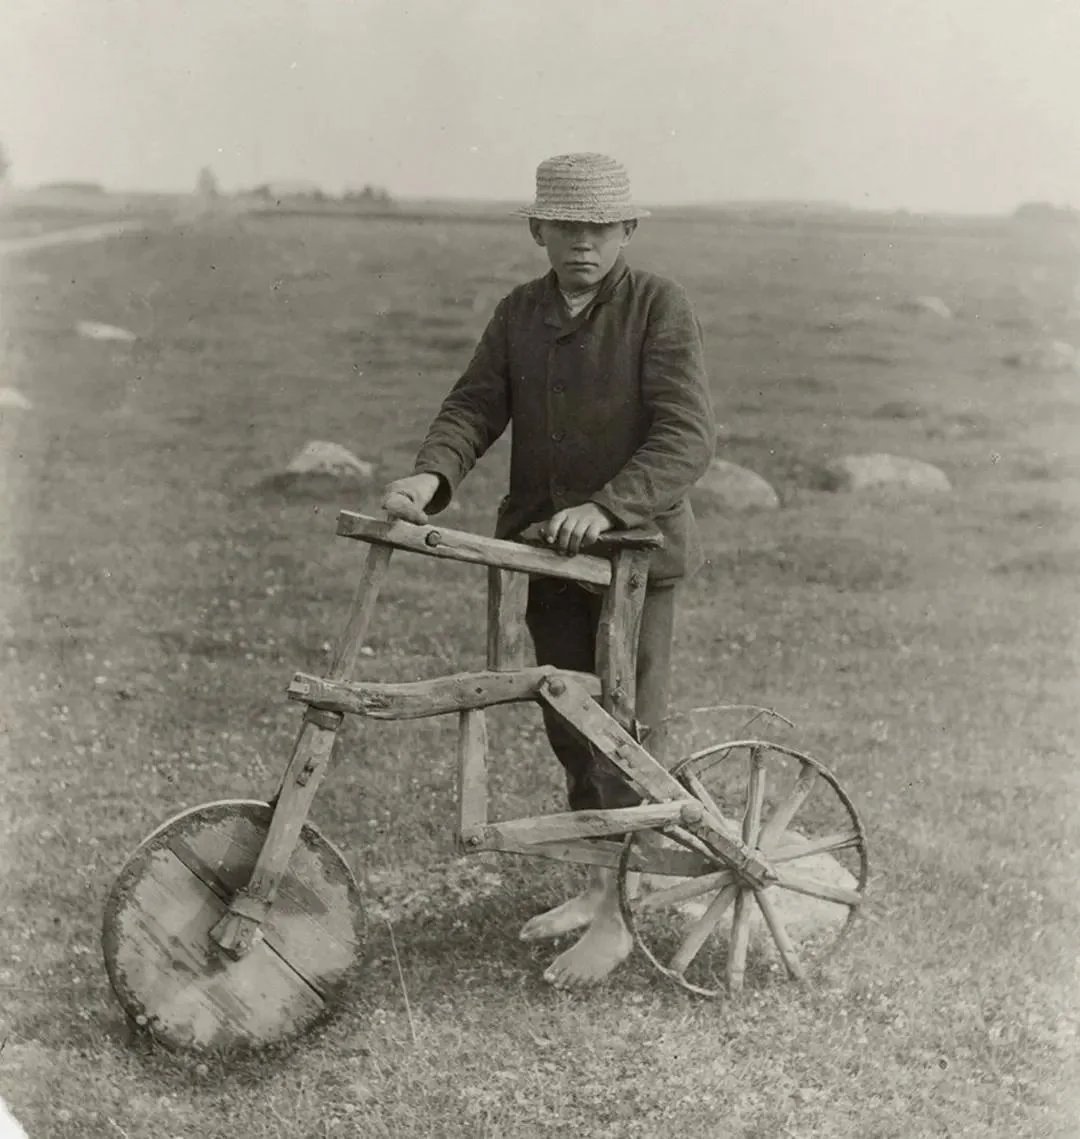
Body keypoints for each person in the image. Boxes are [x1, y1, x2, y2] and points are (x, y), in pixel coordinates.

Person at [381, 152, 715, 988]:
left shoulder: (657, 307)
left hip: (633, 561)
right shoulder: (519, 313)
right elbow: (474, 404)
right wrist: (433, 474)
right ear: (539, 230)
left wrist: (608, 507)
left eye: (600, 228)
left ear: (627, 231)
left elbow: (686, 434)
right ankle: (600, 884)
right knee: (569, 725)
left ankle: (617, 917)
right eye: (567, 226)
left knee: (627, 732)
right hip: (547, 554)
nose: (584, 243)